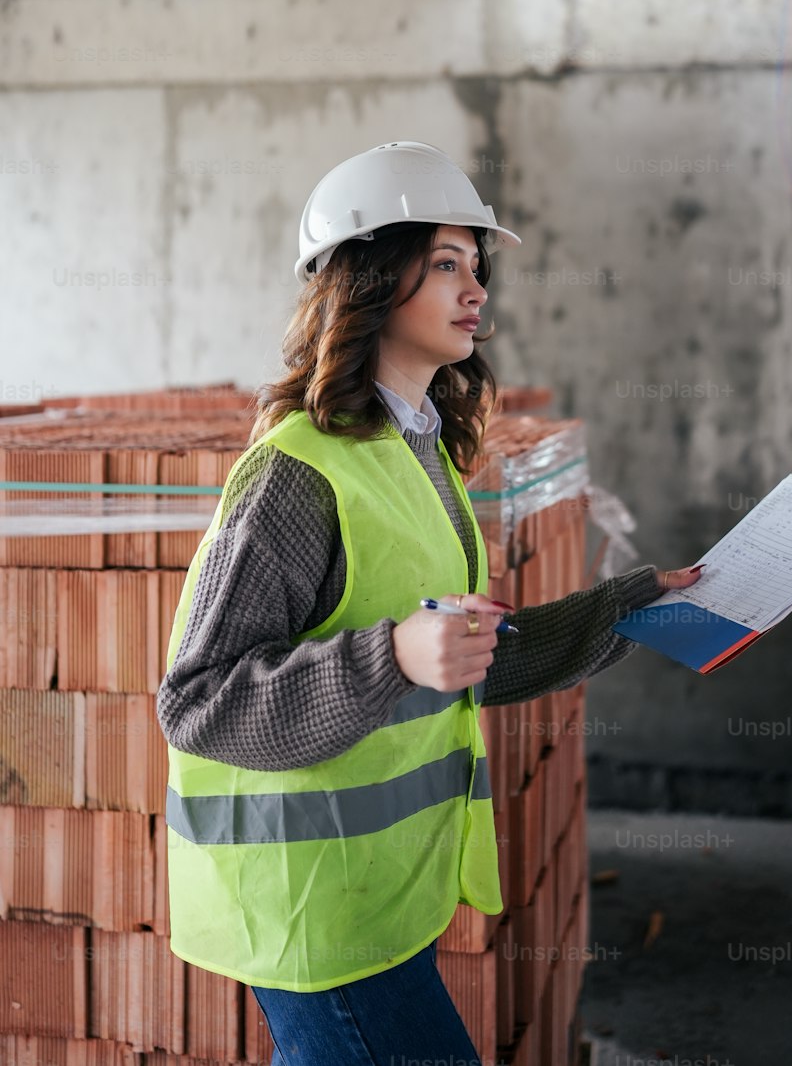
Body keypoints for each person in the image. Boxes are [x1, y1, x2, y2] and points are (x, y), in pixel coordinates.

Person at [156, 140, 704, 1066]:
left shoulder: (420, 454)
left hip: (379, 893)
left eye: (477, 266)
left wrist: (627, 608)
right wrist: (392, 655)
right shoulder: (296, 473)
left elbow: (463, 656)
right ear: (370, 278)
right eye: (447, 262)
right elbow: (198, 704)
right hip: (312, 908)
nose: (477, 288)